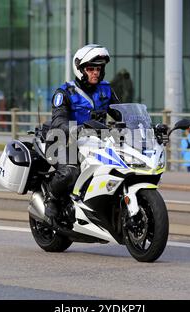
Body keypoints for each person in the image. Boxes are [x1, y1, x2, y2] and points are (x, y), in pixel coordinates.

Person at [44, 44, 120, 225]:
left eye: (98, 69)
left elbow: (121, 112)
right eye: (91, 69)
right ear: (80, 70)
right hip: (64, 141)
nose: (95, 72)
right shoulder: (65, 93)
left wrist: (143, 125)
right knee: (71, 171)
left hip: (94, 142)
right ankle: (52, 198)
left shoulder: (106, 89)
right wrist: (72, 129)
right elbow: (58, 119)